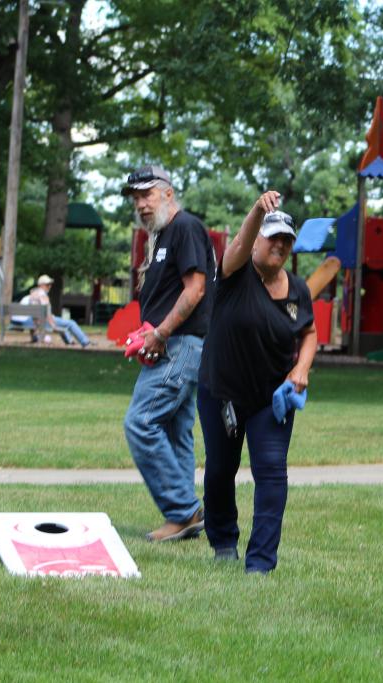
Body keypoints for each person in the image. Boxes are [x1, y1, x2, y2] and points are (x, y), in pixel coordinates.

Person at [197, 190, 317, 573]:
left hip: (270, 397)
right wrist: (256, 211)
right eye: (272, 237)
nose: (279, 245)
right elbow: (237, 245)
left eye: (286, 240)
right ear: (256, 241)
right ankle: (223, 541)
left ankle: (261, 563)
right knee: (221, 469)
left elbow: (309, 333)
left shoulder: (297, 289)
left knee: (272, 472)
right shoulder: (234, 274)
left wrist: (301, 369)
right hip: (222, 392)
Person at [121, 165, 216, 542]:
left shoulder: (185, 227)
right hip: (175, 344)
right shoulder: (162, 235)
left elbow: (195, 289)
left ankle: (182, 510)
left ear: (168, 193)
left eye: (147, 194)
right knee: (176, 430)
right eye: (136, 198)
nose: (141, 204)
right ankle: (186, 517)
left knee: (141, 422)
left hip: (180, 344)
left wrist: (160, 333)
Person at [18, 275, 94, 347]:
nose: (49, 287)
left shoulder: (33, 293)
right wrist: (53, 325)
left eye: (50, 285)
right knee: (71, 323)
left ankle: (69, 341)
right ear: (41, 285)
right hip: (41, 321)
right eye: (47, 285)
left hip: (32, 320)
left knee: (61, 322)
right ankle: (85, 341)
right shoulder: (43, 295)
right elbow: (47, 312)